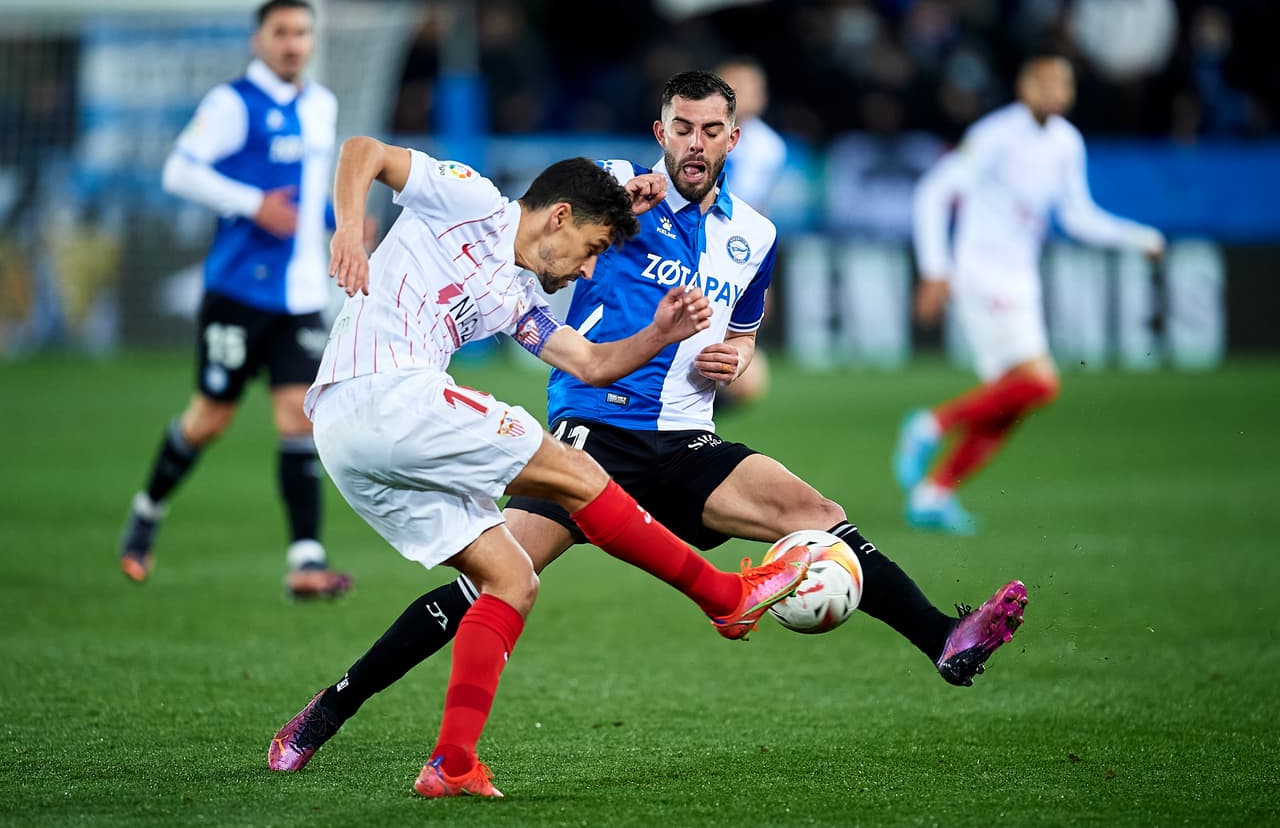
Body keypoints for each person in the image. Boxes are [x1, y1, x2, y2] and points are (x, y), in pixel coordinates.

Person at [266, 72, 1029, 780]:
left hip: (685, 437)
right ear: (659, 132)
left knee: (818, 517)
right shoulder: (609, 196)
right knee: (491, 582)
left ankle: (944, 642)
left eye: (711, 129)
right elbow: (562, 252)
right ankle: (334, 706)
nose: (695, 142)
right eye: (681, 127)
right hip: (591, 430)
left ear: (735, 139)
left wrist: (730, 356)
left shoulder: (753, 237)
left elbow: (742, 332)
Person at [269, 133, 813, 798]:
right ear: (559, 217)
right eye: (590, 252)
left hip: (354, 441)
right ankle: (725, 598)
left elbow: (588, 362)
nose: (588, 272)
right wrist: (348, 232)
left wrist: (661, 332)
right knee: (580, 473)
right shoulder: (472, 199)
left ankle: (452, 764)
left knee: (511, 579)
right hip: (382, 393)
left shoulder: (512, 297)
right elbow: (362, 150)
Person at [116, 0, 353, 598]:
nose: (293, 42)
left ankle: (306, 560)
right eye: (281, 32)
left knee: (298, 417)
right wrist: (252, 204)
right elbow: (179, 171)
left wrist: (340, 220)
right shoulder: (232, 104)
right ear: (259, 40)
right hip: (237, 292)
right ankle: (147, 510)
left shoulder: (320, 105)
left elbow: (309, 189)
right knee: (209, 419)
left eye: (302, 31)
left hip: (300, 294)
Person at [896, 52, 1166, 534]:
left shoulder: (1066, 142)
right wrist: (936, 270)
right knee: (1041, 383)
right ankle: (931, 425)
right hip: (982, 272)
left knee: (1012, 400)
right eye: (1042, 82)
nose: (1052, 91)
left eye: (1061, 83)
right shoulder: (995, 135)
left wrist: (1136, 237)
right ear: (1024, 87)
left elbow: (1078, 214)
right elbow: (933, 192)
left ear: (1071, 91)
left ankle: (934, 494)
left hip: (1021, 279)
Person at [712, 57, 787, 410]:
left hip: (728, 251)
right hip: (686, 243)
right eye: (736, 86)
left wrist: (760, 277)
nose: (745, 95)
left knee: (746, 380)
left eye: (752, 88)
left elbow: (754, 210)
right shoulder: (697, 131)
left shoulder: (766, 147)